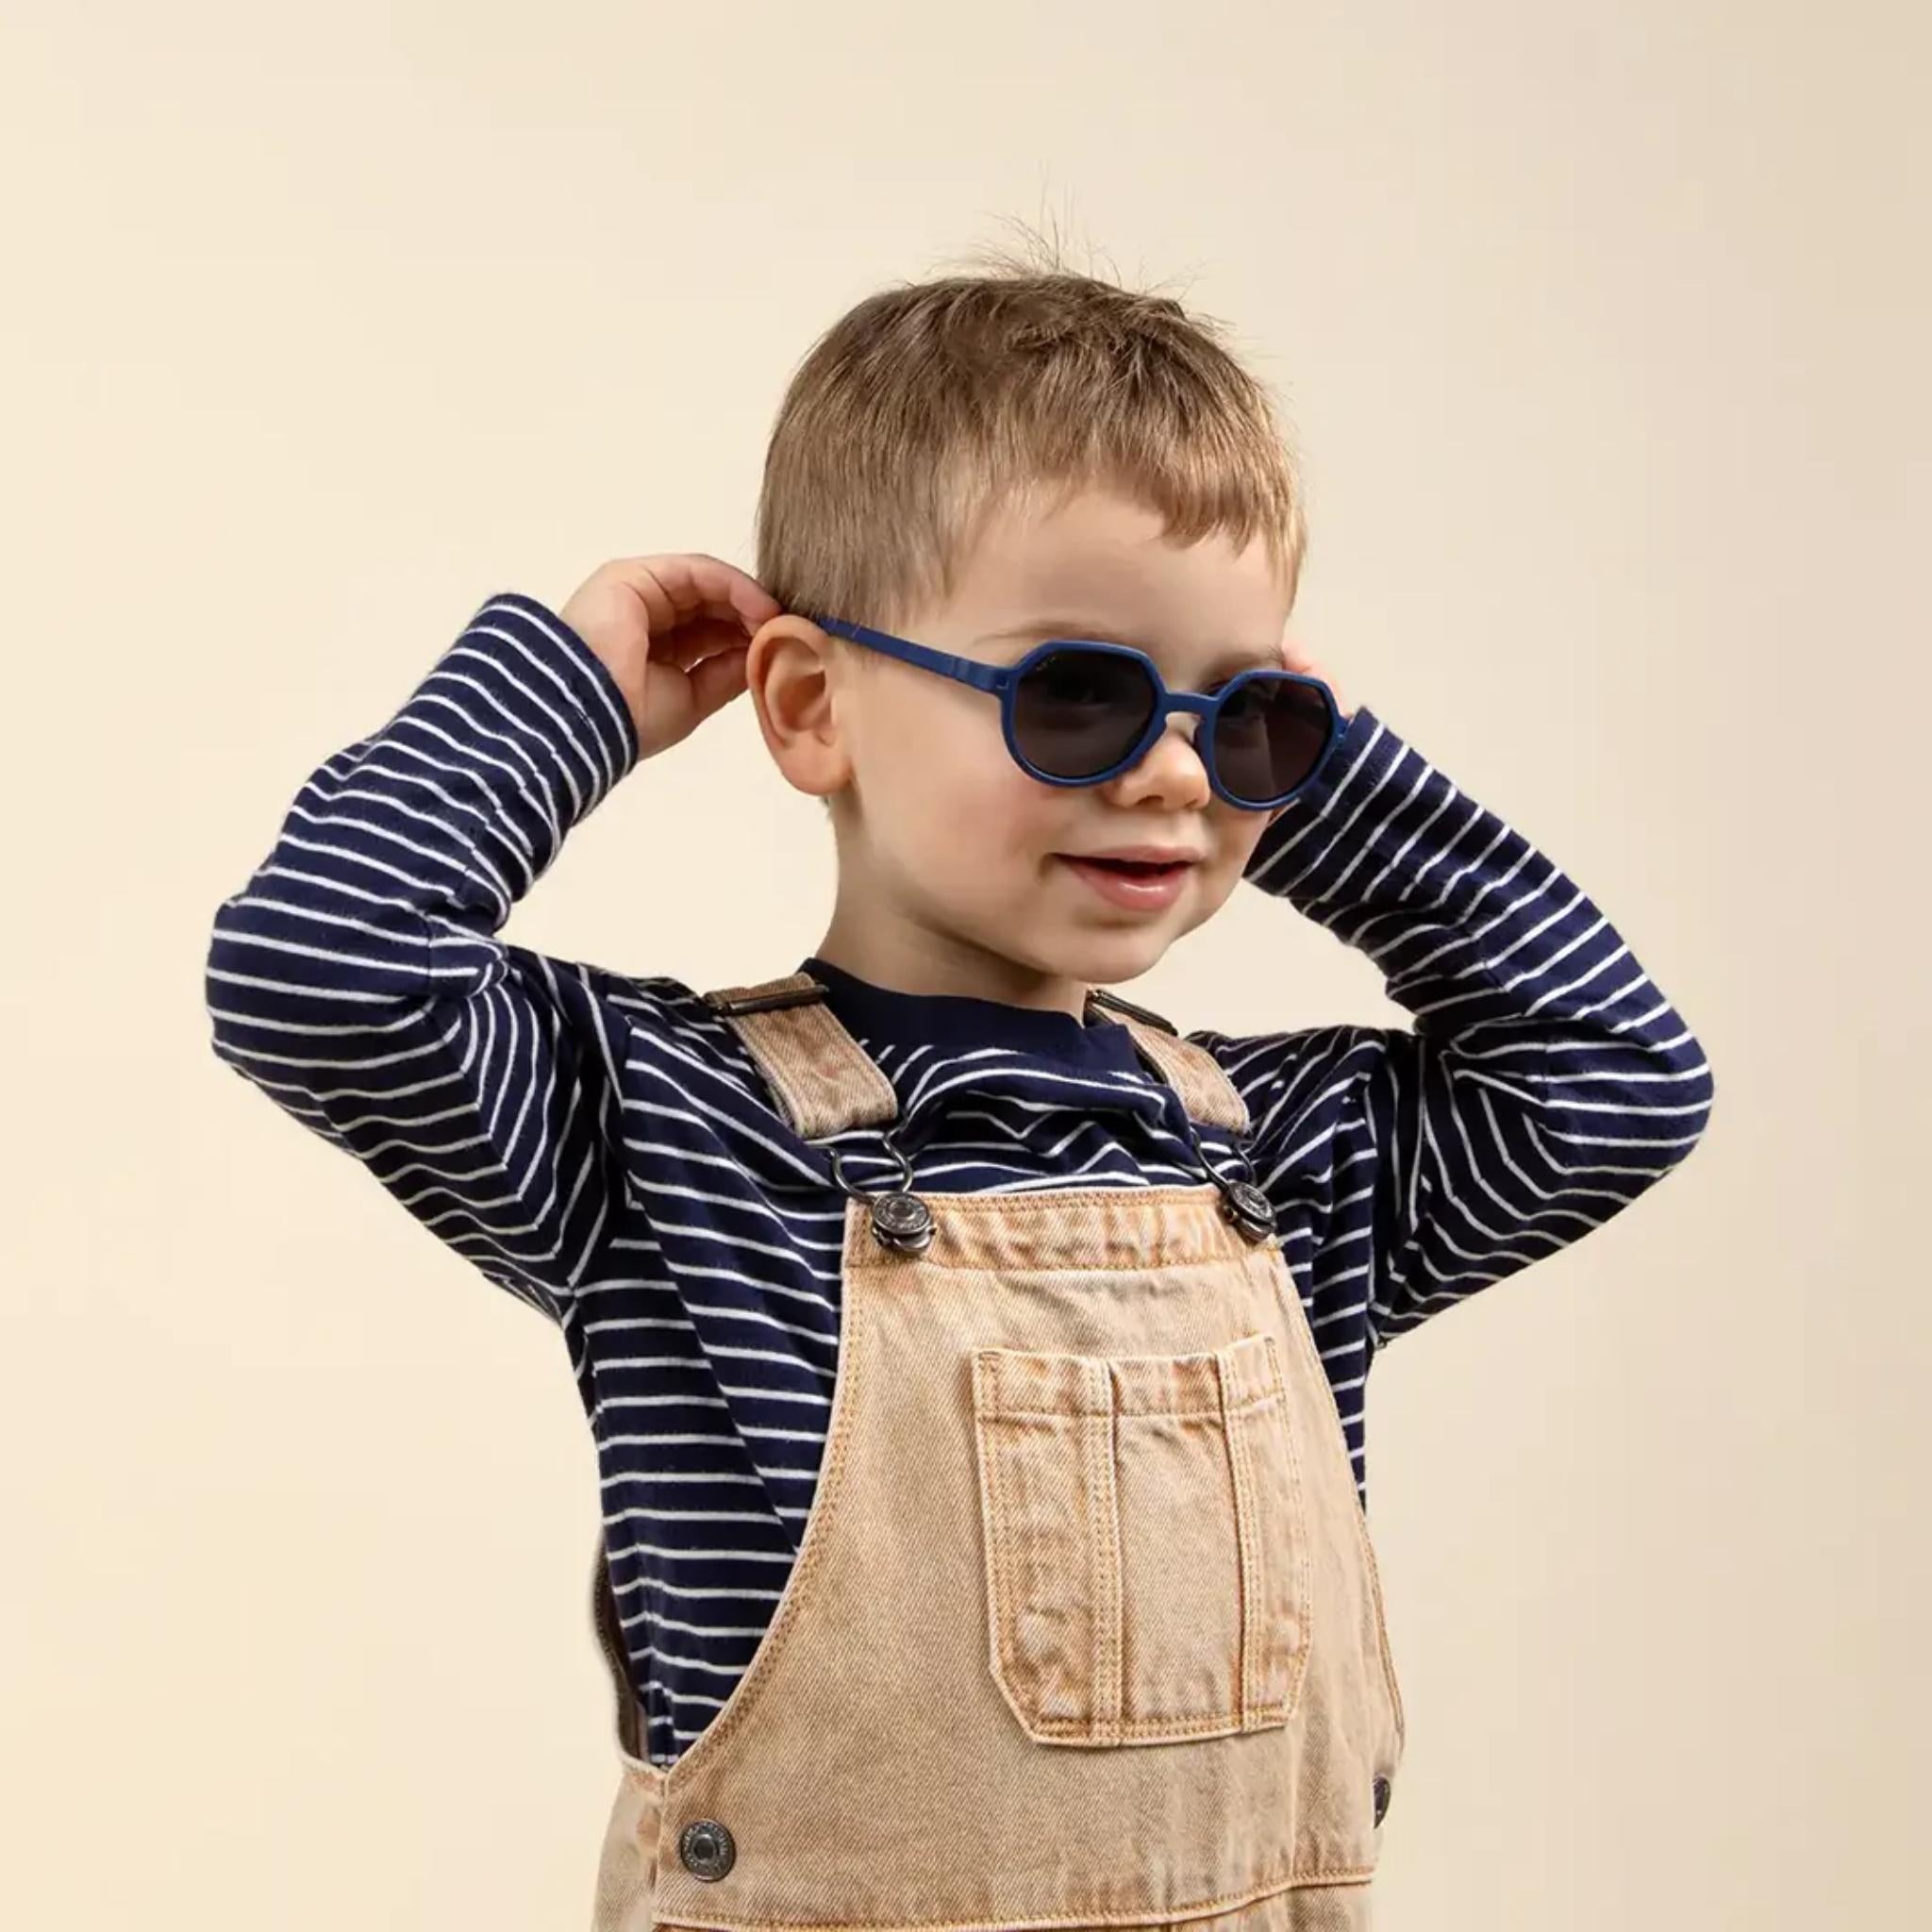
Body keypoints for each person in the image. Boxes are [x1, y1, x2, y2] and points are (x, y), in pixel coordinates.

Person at [204, 259, 1715, 1928]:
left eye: (1244, 716)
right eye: (1081, 696)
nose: (1173, 771)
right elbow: (316, 970)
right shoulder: (667, 1134)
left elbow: (1619, 1078)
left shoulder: (1293, 1164)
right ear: (810, 704)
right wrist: (561, 696)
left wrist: (1323, 783)